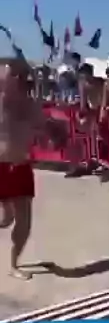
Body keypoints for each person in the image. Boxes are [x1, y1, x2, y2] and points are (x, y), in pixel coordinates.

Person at [0, 57, 61, 279]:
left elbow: (44, 129)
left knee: (24, 222)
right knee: (5, 220)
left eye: (20, 75)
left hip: (22, 166)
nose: (17, 78)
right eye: (12, 75)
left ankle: (14, 265)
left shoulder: (29, 104)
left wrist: (53, 136)